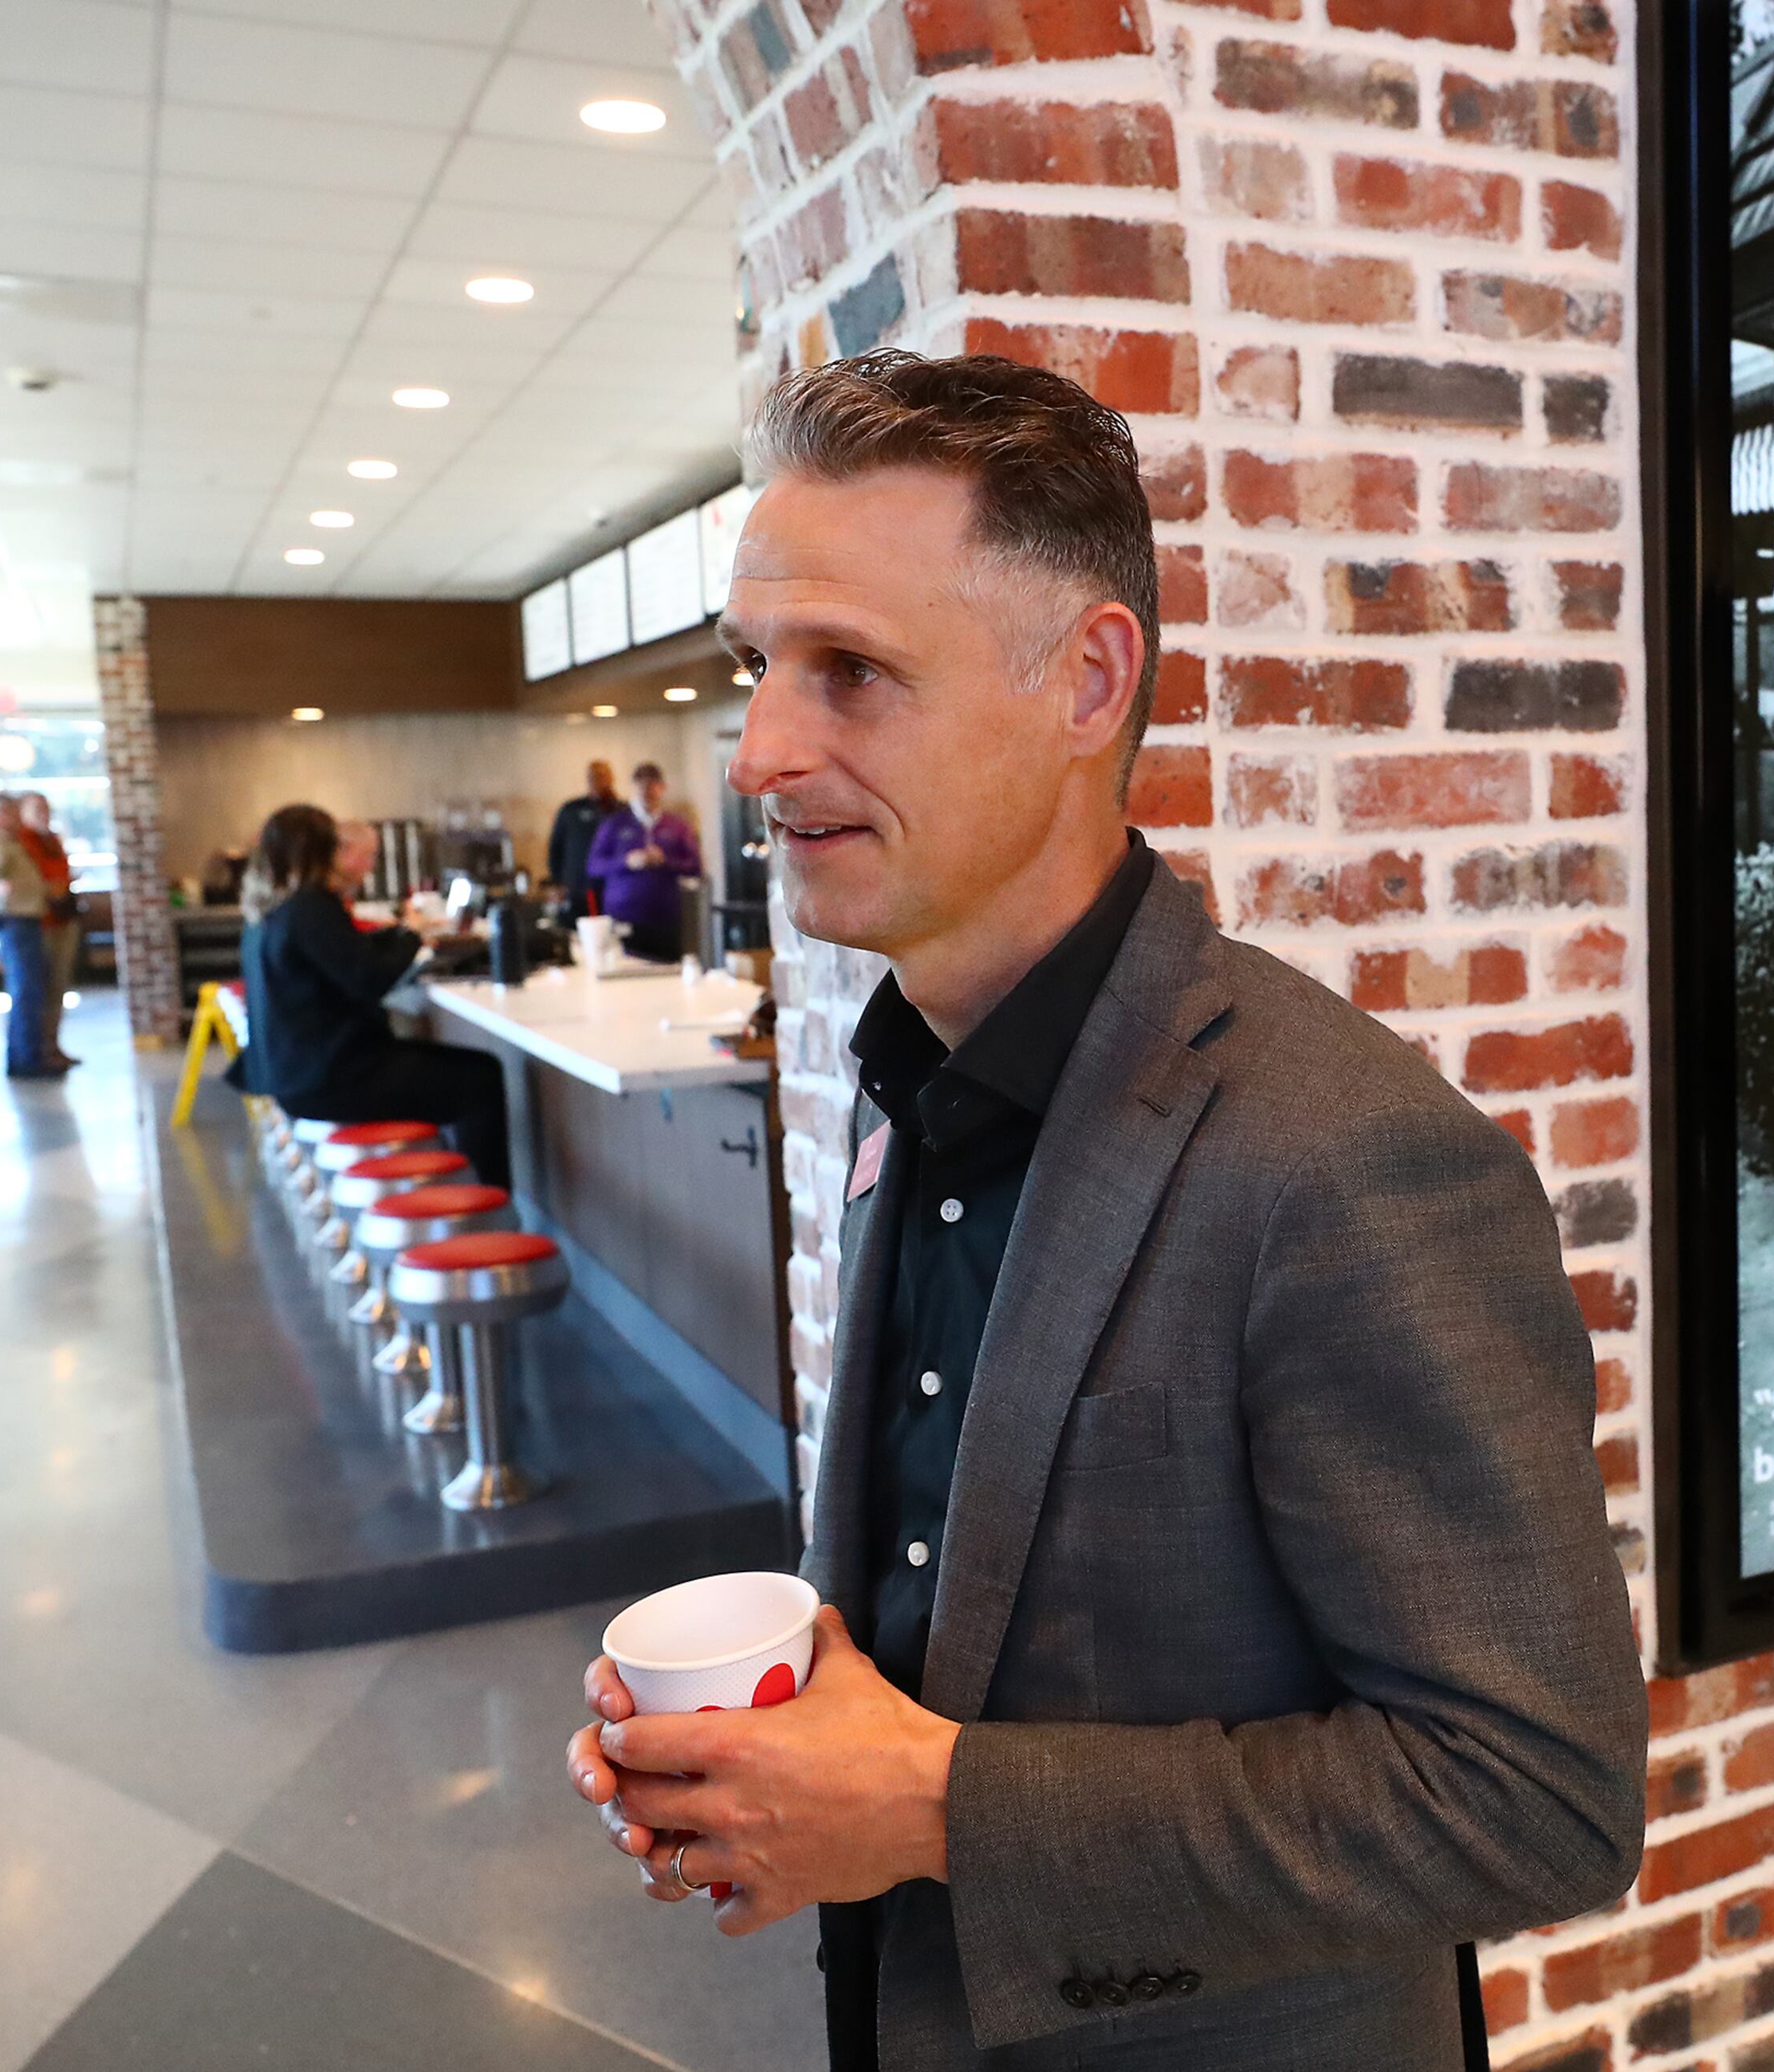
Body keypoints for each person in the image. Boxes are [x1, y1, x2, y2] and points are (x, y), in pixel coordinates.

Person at [564, 352, 1646, 2069]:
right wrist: (785, 1758)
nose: (763, 747)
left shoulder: (1344, 1157)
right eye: (759, 667)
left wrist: (938, 1810)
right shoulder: (903, 1066)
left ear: (1087, 682)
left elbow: (1535, 1798)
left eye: (851, 669)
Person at [238, 802, 509, 1189]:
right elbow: (371, 977)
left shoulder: (269, 910)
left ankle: (441, 1191)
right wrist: (413, 936)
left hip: (293, 1076)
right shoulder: (310, 906)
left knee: (449, 1072)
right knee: (480, 1078)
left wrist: (396, 937)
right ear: (319, 850)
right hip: (329, 1079)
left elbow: (343, 953)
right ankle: (486, 1204)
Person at [0, 792, 62, 1080]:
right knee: (26, 991)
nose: (19, 819)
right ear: (1, 816)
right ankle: (28, 1060)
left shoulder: (11, 840)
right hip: (16, 921)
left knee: (30, 990)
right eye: (14, 813)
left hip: (27, 919)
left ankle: (28, 1056)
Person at [585, 761, 702, 964]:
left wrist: (665, 861)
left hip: (666, 919)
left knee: (668, 976)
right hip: (624, 917)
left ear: (661, 789)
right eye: (642, 787)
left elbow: (695, 866)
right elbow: (594, 866)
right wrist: (627, 862)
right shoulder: (614, 824)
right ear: (634, 788)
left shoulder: (677, 825)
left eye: (652, 787)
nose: (646, 793)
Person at [16, 792, 78, 1068]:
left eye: (46, 809)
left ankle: (53, 1046)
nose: (44, 814)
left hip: (63, 918)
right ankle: (38, 1051)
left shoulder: (52, 840)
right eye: (37, 809)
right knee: (37, 990)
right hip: (39, 924)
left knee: (58, 989)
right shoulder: (23, 842)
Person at [549, 759, 620, 912]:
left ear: (610, 779)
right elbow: (555, 848)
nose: (597, 780)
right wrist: (556, 883)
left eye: (602, 776)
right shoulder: (571, 809)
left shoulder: (621, 810)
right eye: (593, 776)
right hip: (577, 888)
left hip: (613, 889)